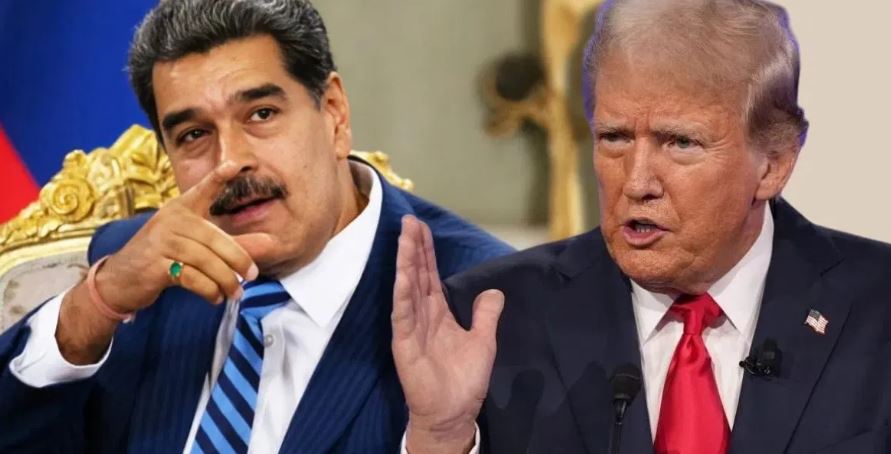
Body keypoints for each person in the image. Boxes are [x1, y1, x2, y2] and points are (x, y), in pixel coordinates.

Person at [0, 1, 512, 453]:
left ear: (334, 113)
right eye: (194, 134)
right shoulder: (139, 276)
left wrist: (440, 442)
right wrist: (95, 305)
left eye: (261, 114)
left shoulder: (483, 298)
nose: (231, 161)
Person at [393, 0, 891, 453]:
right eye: (614, 138)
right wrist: (440, 437)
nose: (636, 182)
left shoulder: (879, 306)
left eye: (680, 143)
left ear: (773, 164)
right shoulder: (486, 324)